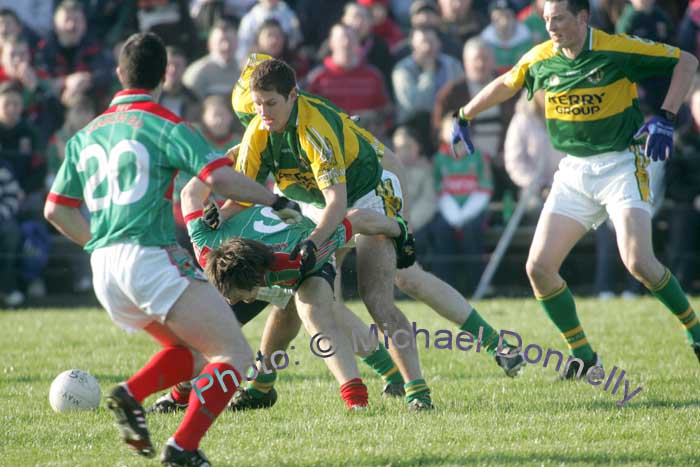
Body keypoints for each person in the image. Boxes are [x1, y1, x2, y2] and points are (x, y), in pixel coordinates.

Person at [43, 32, 302, 466]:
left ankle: (133, 395)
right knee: (234, 354)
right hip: (148, 257)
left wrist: (98, 245)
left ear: (119, 74)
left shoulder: (84, 135)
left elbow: (56, 209)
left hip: (105, 269)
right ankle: (182, 447)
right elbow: (219, 180)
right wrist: (276, 200)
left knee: (193, 352)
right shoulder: (166, 124)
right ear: (164, 74)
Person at [451, 0, 700, 378]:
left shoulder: (616, 48)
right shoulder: (541, 58)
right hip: (574, 171)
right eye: (547, 19)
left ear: (583, 18)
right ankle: (584, 355)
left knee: (639, 263)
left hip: (621, 164)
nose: (551, 26)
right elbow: (506, 83)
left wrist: (666, 117)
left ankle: (696, 331)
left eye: (559, 18)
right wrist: (464, 114)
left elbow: (687, 61)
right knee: (539, 268)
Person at [233, 56, 435, 410]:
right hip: (316, 203)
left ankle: (417, 391)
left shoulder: (314, 127)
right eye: (257, 104)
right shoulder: (258, 130)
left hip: (366, 193)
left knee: (376, 299)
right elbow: (242, 193)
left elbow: (337, 204)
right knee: (293, 292)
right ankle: (262, 385)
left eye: (271, 103)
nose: (262, 112)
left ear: (293, 96)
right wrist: (215, 216)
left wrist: (313, 242)